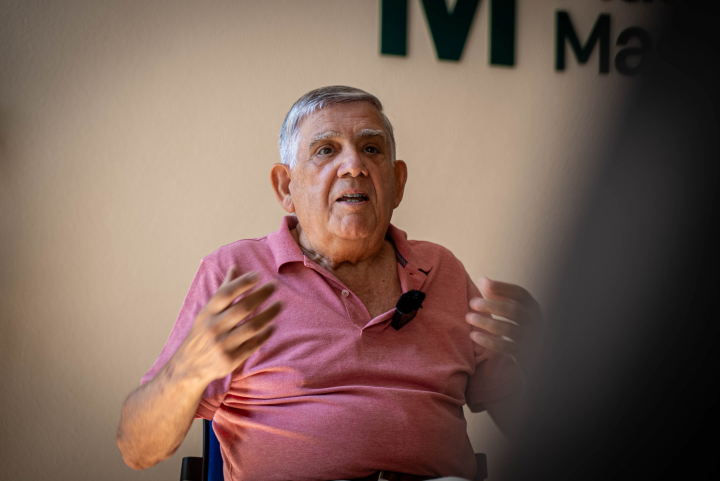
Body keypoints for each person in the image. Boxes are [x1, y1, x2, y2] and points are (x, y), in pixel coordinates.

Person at [116, 86, 543, 481]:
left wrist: (543, 360)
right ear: (286, 187)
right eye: (326, 150)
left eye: (371, 148)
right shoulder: (235, 273)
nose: (354, 166)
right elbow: (138, 449)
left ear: (397, 182)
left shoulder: (442, 270)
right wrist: (186, 373)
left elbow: (535, 430)